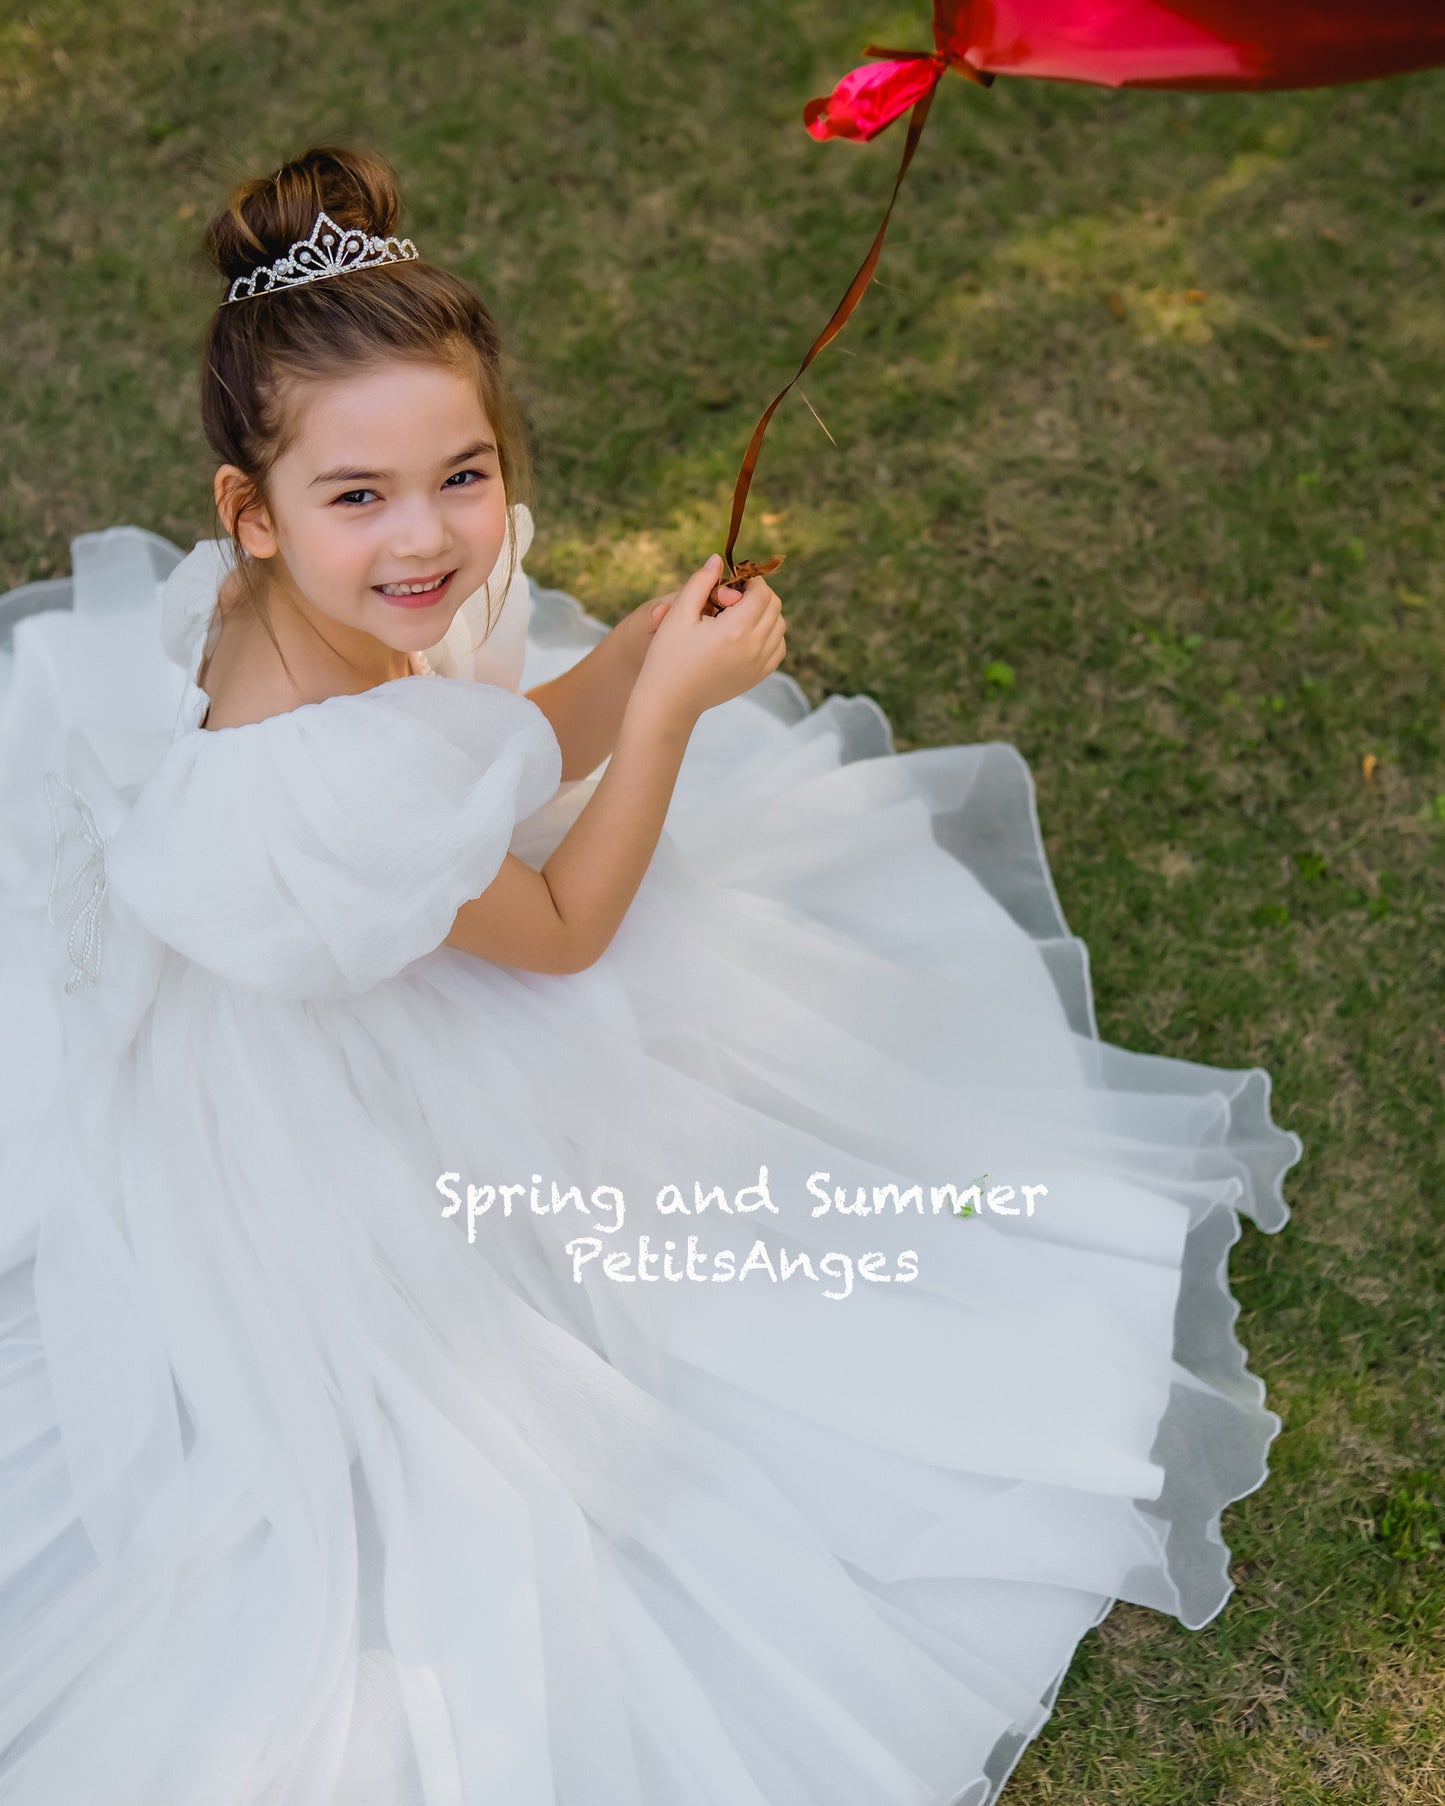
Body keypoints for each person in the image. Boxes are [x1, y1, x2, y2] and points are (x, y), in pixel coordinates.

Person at [0, 143, 1303, 1806]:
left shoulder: (297, 619)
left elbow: (483, 744)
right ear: (246, 512)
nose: (431, 542)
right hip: (314, 1100)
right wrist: (668, 713)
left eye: (462, 475)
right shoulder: (338, 775)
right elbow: (554, 935)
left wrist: (625, 658)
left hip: (334, 889)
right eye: (358, 499)